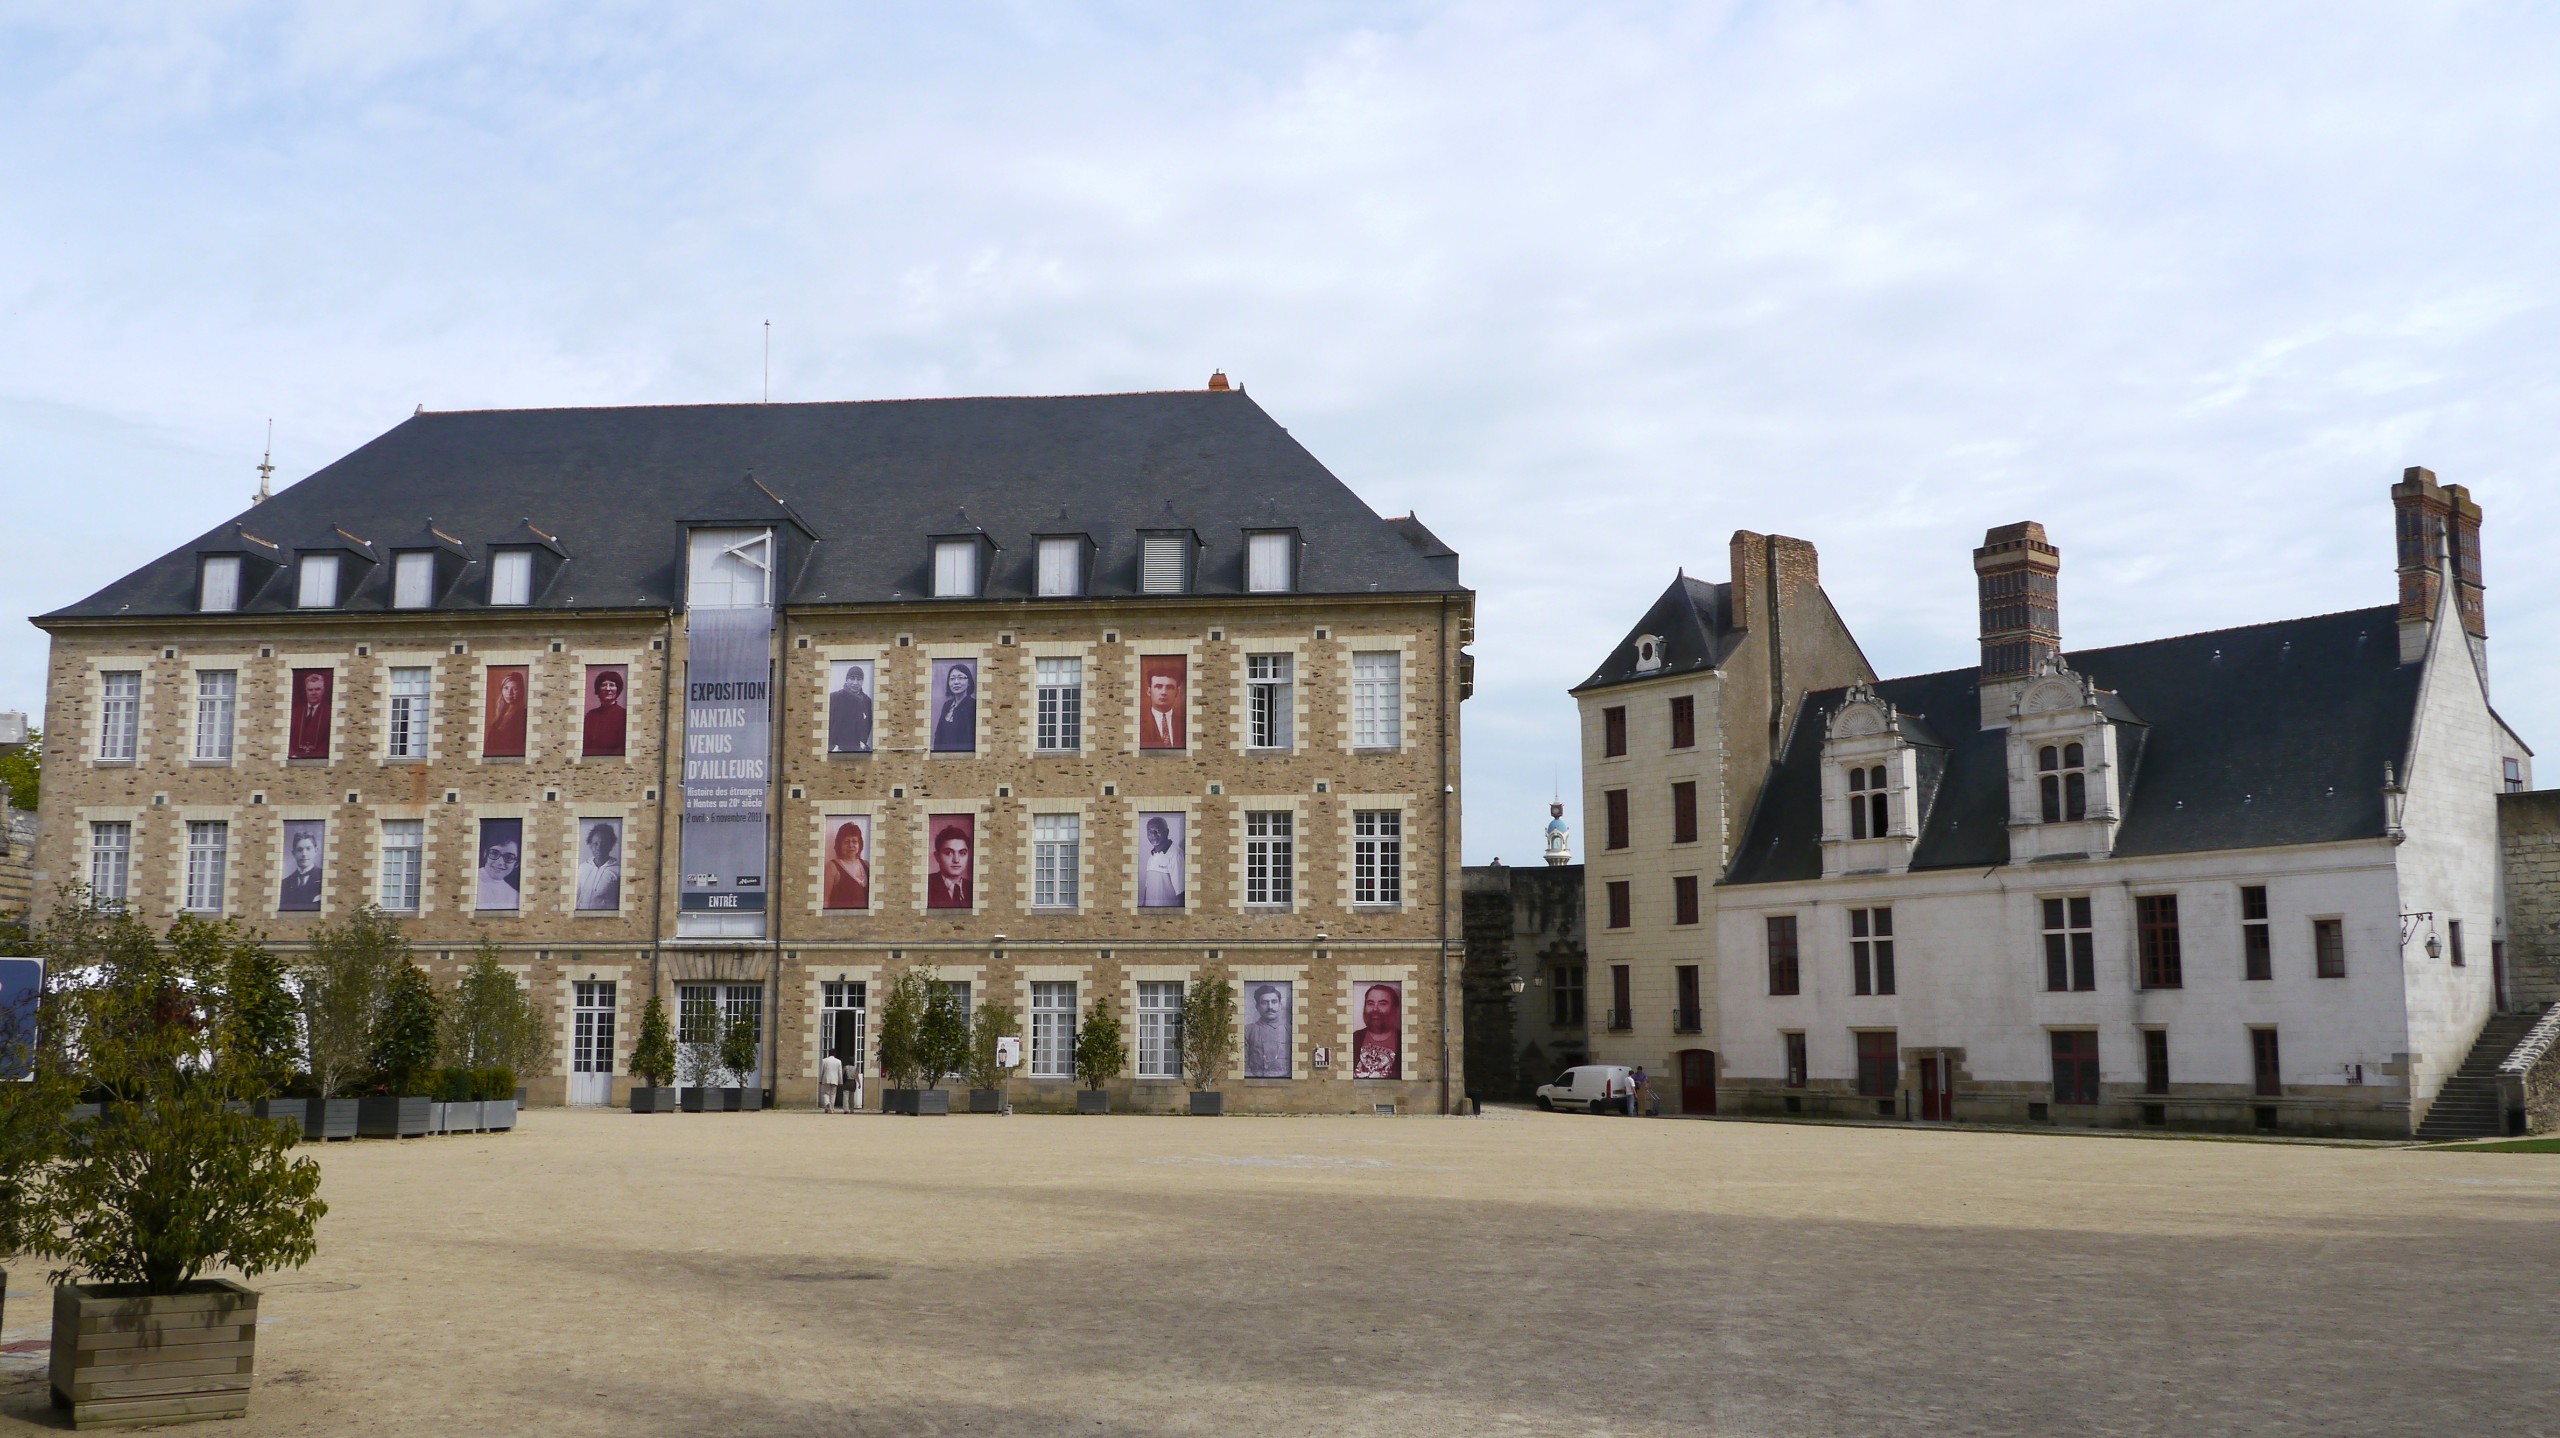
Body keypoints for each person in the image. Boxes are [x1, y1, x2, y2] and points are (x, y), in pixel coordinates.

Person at [1352, 984, 1400, 1079]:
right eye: (1370, 1003)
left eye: (1382, 1004)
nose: (1375, 1009)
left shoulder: (1404, 1040)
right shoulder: (1353, 1038)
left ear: (1394, 1008)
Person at [1243, 982, 1289, 1077]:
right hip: (1256, 1082)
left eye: (1274, 1002)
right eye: (1264, 1002)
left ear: (1280, 1005)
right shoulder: (1248, 1031)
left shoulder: (1290, 1030)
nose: (1270, 1007)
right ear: (1257, 1007)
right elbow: (1243, 1066)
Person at [1138, 815, 1184, 908]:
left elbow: (1181, 893)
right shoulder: (1152, 856)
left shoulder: (1175, 854)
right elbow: (1147, 887)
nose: (1153, 835)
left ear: (1167, 832)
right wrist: (1143, 906)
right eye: (1149, 832)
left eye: (1157, 831)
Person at [823, 821, 870, 909]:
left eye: (854, 841)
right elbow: (825, 900)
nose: (851, 845)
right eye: (846, 842)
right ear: (839, 845)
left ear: (860, 844)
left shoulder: (867, 865)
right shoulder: (832, 867)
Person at [828, 664, 873, 753]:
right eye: (852, 678)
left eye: (859, 679)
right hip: (837, 751)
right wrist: (832, 748)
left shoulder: (866, 701)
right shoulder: (834, 698)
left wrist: (862, 743)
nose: (855, 683)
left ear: (862, 681)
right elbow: (827, 724)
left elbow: (868, 724)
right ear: (846, 679)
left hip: (858, 751)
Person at [931, 662, 975, 751]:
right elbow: (938, 735)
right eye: (952, 679)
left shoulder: (973, 706)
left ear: (969, 682)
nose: (956, 682)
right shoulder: (947, 705)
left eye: (960, 678)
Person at [576, 822, 621, 910]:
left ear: (610, 846)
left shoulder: (618, 871)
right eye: (595, 843)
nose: (599, 847)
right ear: (590, 845)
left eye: (603, 843)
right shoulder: (583, 868)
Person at [583, 668, 627, 757]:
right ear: (598, 689)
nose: (607, 689)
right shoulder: (590, 715)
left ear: (617, 689)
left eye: (612, 685)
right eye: (603, 685)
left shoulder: (623, 715)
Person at [927, 823, 972, 909]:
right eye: (948, 853)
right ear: (937, 856)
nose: (956, 860)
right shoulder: (926, 885)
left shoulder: (972, 887)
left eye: (962, 853)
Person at [278, 826, 323, 911]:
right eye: (299, 850)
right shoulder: (284, 884)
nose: (304, 854)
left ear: (316, 851)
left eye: (308, 849)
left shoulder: (324, 878)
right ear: (293, 853)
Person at [288, 670, 331, 759]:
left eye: (317, 689)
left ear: (323, 690)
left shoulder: (329, 712)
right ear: (306, 691)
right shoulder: (296, 712)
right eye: (310, 690)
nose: (313, 693)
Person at [476, 829, 521, 910]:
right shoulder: (470, 881)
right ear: (485, 854)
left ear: (517, 864)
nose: (500, 862)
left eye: (509, 857)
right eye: (494, 853)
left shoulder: (514, 896)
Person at [1142, 663, 1184, 748]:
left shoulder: (1184, 723)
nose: (1164, 692)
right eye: (1158, 686)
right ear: (1149, 691)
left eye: (1169, 687)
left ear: (1177, 692)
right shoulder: (1138, 723)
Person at [486, 668, 527, 755]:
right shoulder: (501, 714)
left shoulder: (523, 715)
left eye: (515, 689)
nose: (509, 693)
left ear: (521, 691)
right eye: (506, 688)